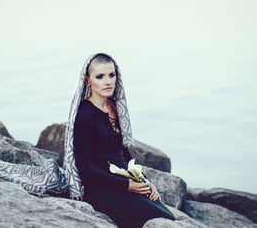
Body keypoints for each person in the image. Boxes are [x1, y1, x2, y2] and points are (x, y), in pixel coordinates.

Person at [63, 53, 176, 227]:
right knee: (161, 220)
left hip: (124, 180)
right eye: (99, 77)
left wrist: (145, 181)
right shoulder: (85, 115)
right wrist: (127, 186)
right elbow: (85, 168)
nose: (107, 81)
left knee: (165, 215)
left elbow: (122, 151)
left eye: (111, 75)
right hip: (101, 189)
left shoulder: (115, 107)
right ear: (88, 80)